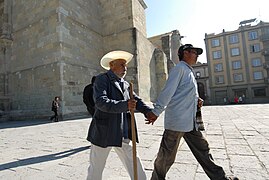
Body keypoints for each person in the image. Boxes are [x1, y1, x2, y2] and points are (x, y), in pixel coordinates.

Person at [146, 44, 239, 180]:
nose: (197, 56)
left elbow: (184, 92)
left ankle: (221, 178)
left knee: (203, 150)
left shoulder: (189, 71)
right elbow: (168, 91)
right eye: (195, 52)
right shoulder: (179, 69)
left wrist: (196, 99)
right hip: (177, 122)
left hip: (190, 122)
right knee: (165, 157)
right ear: (185, 53)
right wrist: (156, 111)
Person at [86, 50, 152, 180]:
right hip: (104, 131)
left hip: (122, 131)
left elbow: (136, 100)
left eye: (125, 65)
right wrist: (125, 105)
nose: (125, 68)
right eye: (122, 64)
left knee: (134, 161)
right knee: (96, 167)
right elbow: (100, 102)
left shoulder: (126, 84)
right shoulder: (102, 79)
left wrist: (148, 111)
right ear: (112, 65)